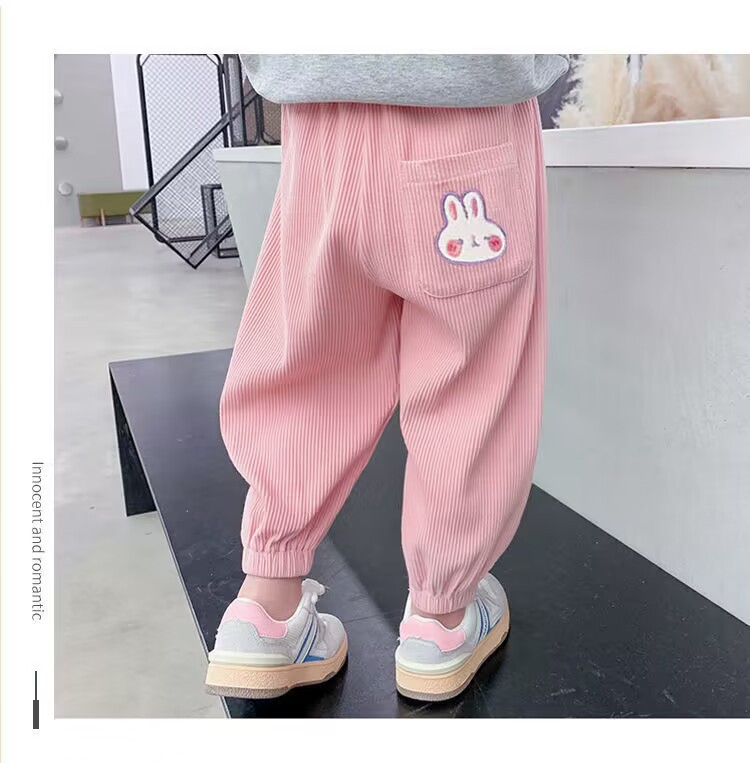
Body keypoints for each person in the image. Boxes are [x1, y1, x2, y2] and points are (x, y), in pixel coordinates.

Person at [204, 54, 569, 703]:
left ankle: (266, 605)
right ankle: (441, 617)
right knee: (470, 373)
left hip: (324, 116)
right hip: (471, 105)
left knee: (310, 356)